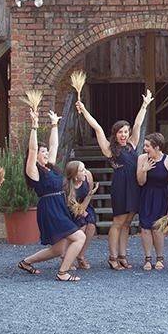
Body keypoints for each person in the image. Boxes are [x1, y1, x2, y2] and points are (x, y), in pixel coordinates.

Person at [77, 90, 151, 270]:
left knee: (127, 222)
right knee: (118, 222)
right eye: (120, 132)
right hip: (120, 186)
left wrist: (144, 105)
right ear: (115, 134)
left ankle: (122, 256)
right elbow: (97, 128)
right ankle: (112, 257)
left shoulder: (133, 144)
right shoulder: (109, 149)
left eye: (126, 131)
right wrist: (84, 110)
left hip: (135, 185)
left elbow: (138, 123)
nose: (124, 135)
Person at [18, 109, 86, 282]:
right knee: (79, 237)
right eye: (43, 151)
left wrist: (54, 124)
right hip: (50, 208)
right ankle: (63, 272)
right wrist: (34, 126)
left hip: (59, 205)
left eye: (46, 151)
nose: (46, 153)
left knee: (58, 249)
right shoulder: (33, 170)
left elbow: (54, 145)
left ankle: (26, 262)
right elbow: (32, 149)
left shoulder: (51, 167)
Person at [137, 132, 168, 271]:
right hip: (146, 195)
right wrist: (144, 170)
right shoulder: (142, 159)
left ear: (157, 147)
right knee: (145, 228)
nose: (145, 148)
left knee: (157, 229)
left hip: (162, 197)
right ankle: (147, 258)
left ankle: (160, 258)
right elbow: (140, 182)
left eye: (148, 146)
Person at [63, 160, 98, 270]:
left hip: (85, 204)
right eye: (82, 170)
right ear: (74, 175)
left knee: (91, 225)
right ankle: (68, 257)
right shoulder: (67, 186)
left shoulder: (88, 176)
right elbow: (74, 208)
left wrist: (89, 197)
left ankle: (80, 255)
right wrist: (82, 210)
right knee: (82, 226)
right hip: (72, 209)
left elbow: (89, 193)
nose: (85, 171)